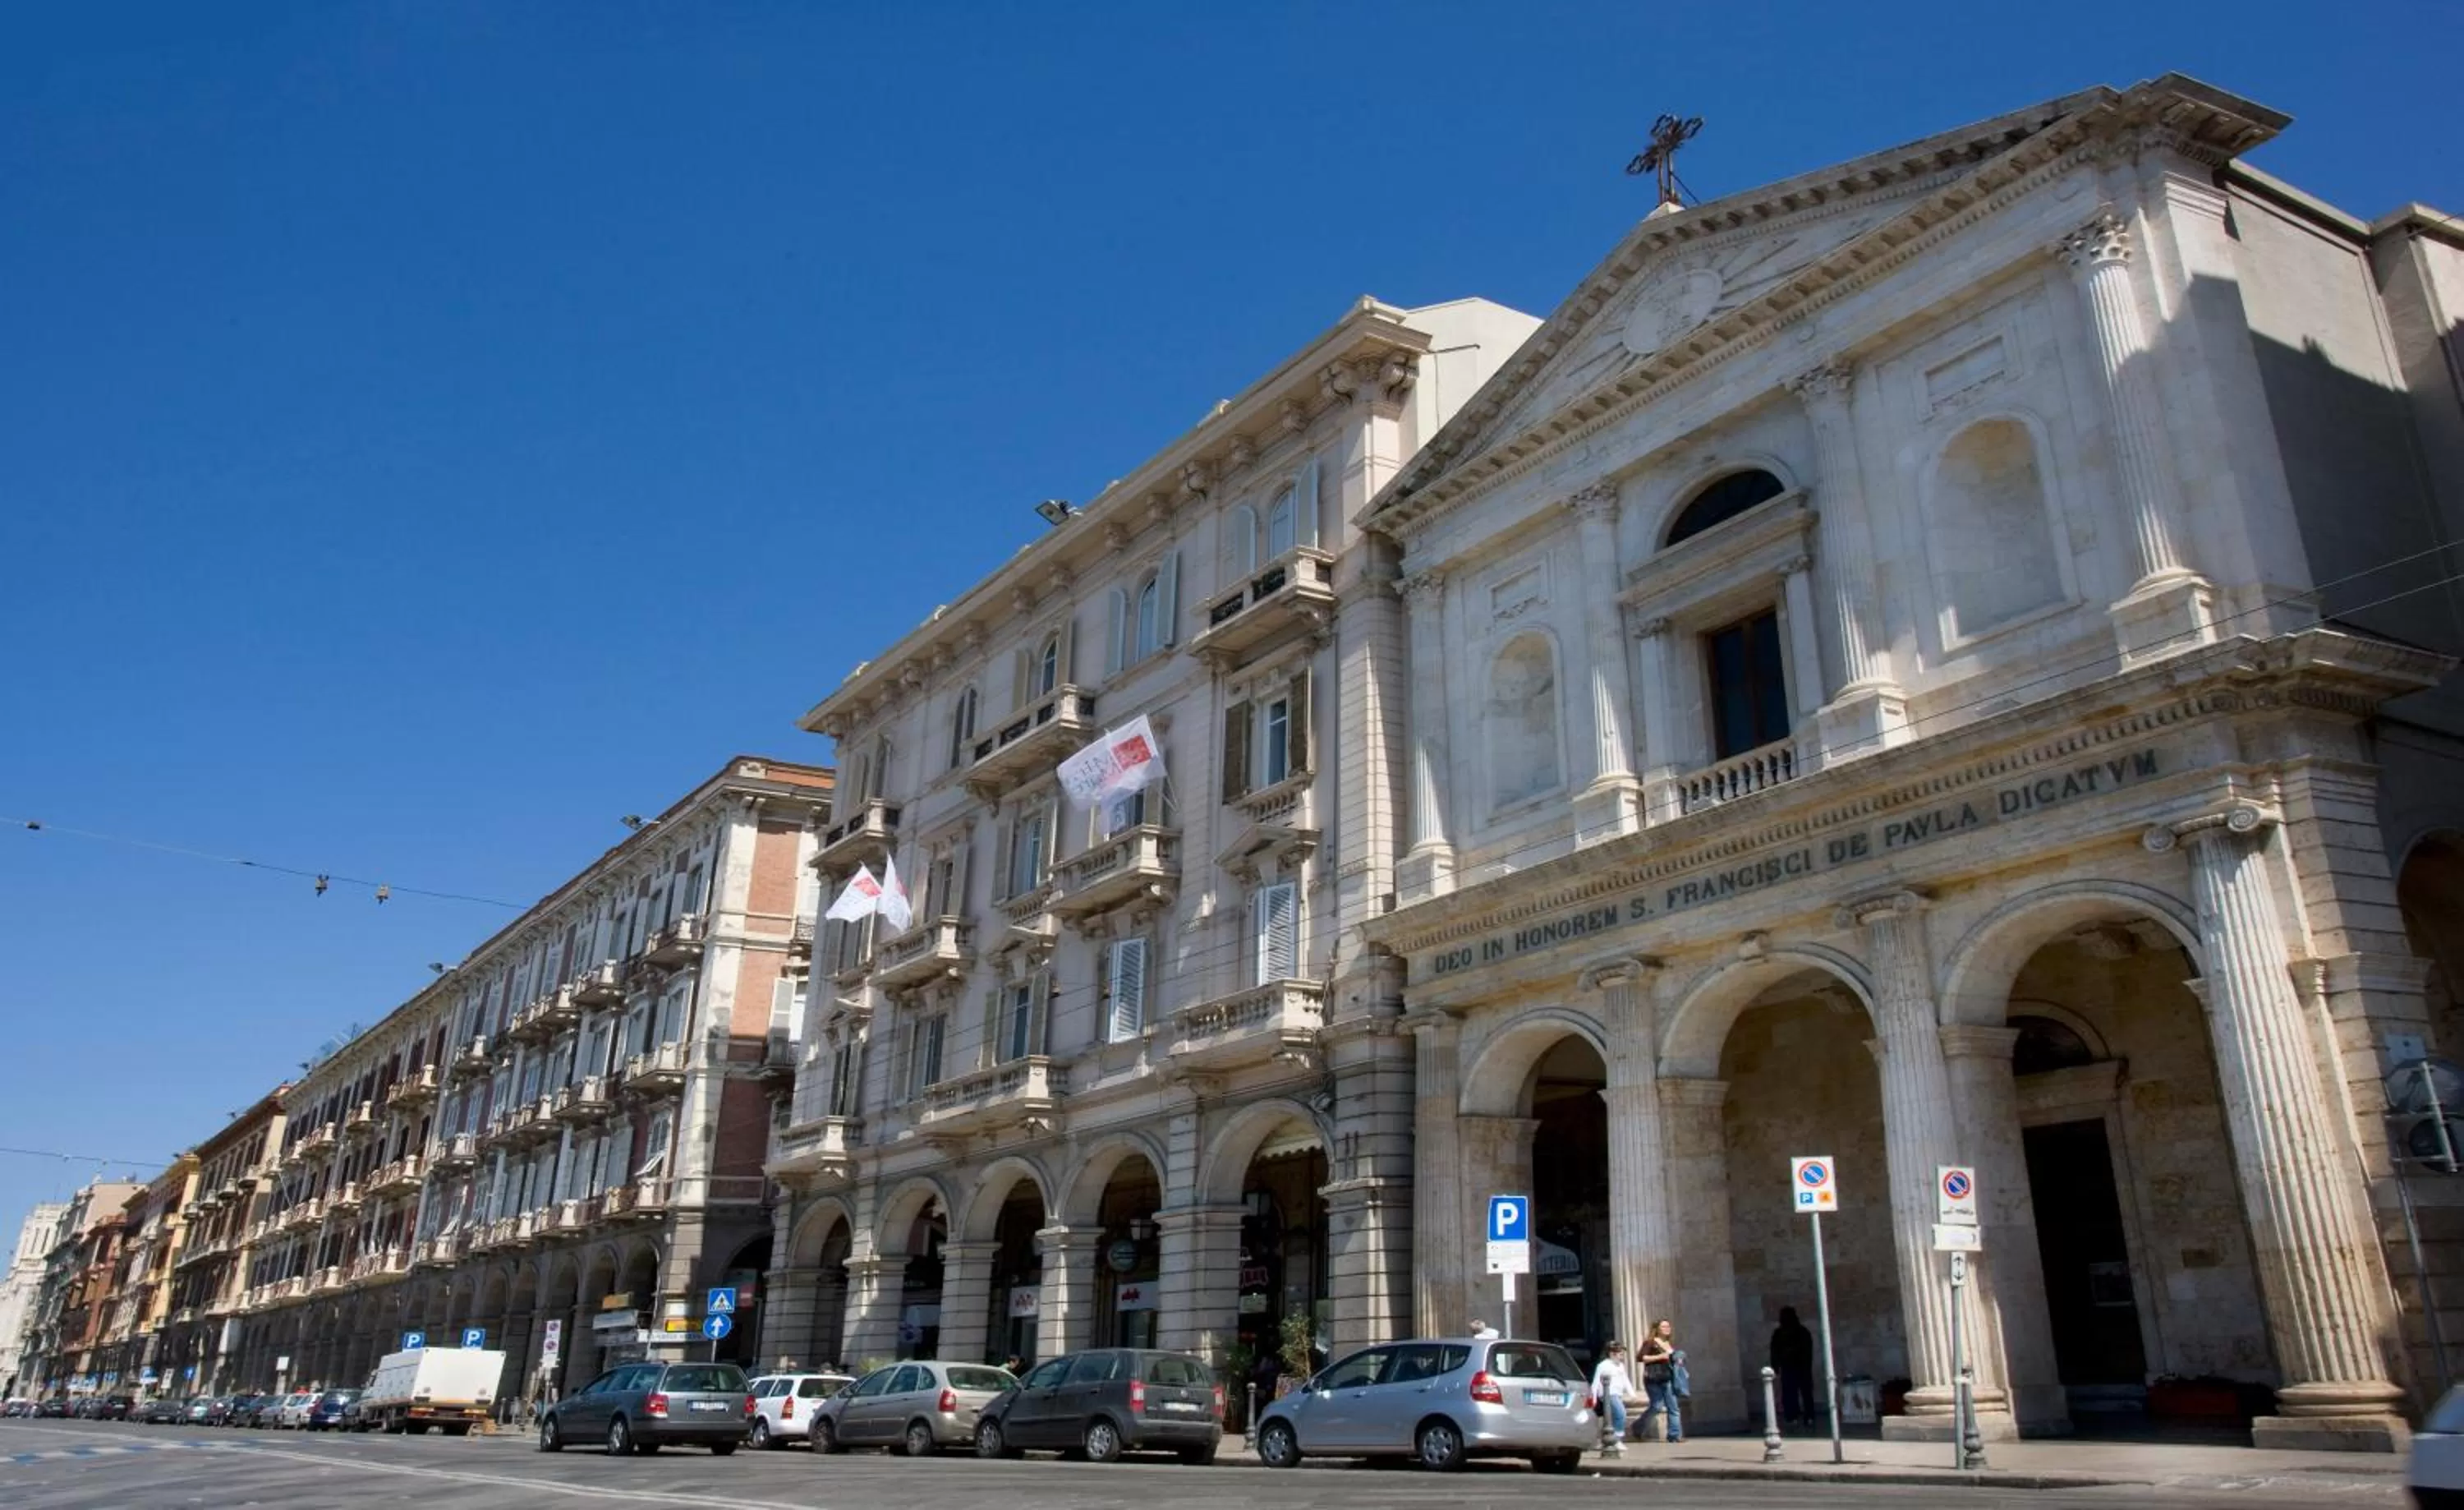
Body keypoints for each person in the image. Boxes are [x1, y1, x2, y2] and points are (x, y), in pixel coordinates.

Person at [1637, 1318, 1684, 1443]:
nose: (1667, 1329)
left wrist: (1678, 1360)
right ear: (1657, 1329)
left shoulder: (1669, 1344)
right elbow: (1641, 1358)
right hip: (1653, 1378)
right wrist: (1660, 1356)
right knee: (1656, 1406)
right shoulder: (1650, 1343)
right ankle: (1638, 1427)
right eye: (1663, 1327)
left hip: (1668, 1378)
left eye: (1668, 1326)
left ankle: (1674, 1435)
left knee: (1673, 1407)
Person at [1770, 1306, 1816, 1427]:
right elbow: (1774, 1351)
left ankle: (1806, 1416)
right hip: (1790, 1368)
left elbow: (1807, 1350)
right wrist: (1775, 1366)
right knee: (1790, 1394)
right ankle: (1793, 1416)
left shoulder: (1801, 1332)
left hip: (1800, 1367)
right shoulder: (1780, 1333)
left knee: (1803, 1393)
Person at [1588, 1341, 1634, 1455]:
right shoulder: (1603, 1365)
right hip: (1608, 1394)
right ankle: (1616, 1439)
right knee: (1621, 1413)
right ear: (1611, 1353)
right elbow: (1596, 1382)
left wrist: (1632, 1393)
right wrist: (1593, 1398)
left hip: (1618, 1394)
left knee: (1610, 1419)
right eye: (1619, 1353)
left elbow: (1625, 1380)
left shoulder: (1621, 1366)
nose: (1622, 1355)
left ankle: (1604, 1440)